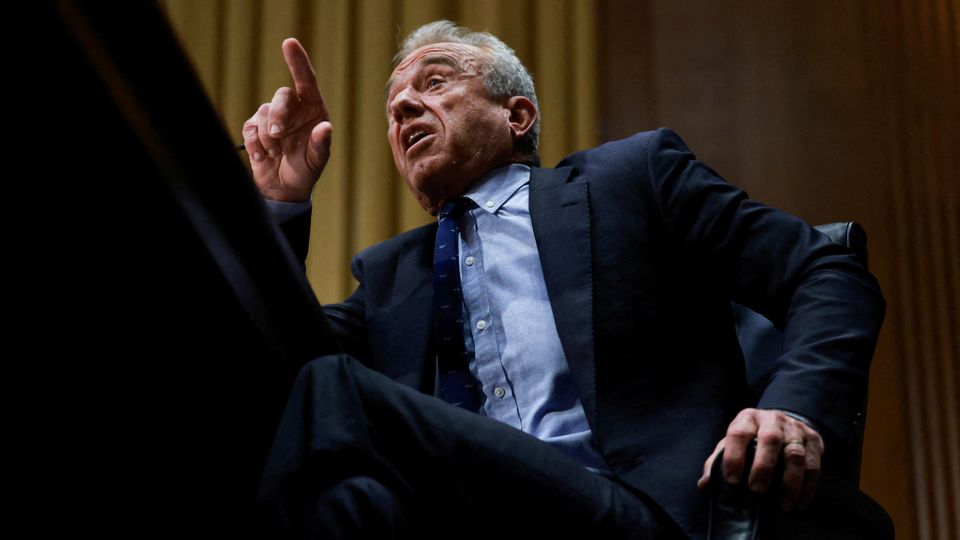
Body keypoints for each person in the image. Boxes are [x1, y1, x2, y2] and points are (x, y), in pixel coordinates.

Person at [241, 21, 884, 539]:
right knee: (342, 492)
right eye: (392, 109)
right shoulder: (390, 276)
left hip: (634, 509)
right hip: (464, 516)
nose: (405, 105)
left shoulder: (630, 180)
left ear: (517, 115)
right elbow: (281, 366)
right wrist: (280, 206)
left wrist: (793, 409)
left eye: (435, 82)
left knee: (334, 392)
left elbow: (824, 270)